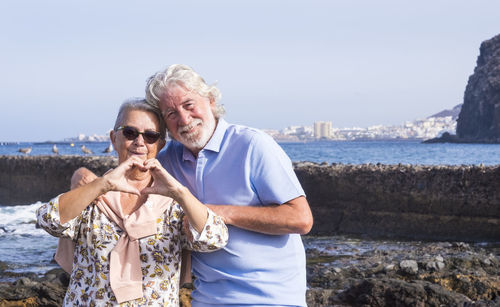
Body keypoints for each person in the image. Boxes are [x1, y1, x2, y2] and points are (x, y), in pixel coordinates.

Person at [145, 64, 314, 306]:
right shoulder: (166, 160)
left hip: (271, 299)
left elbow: (301, 219)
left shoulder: (253, 145)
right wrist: (82, 176)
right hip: (207, 298)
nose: (184, 119)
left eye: (189, 105)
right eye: (171, 114)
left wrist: (219, 212)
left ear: (211, 100)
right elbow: (124, 180)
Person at [36, 99, 228, 306]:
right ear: (114, 138)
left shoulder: (174, 203)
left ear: (160, 145)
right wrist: (103, 184)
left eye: (150, 136)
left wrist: (180, 193)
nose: (140, 142)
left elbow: (214, 239)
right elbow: (48, 219)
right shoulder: (92, 195)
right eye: (130, 133)